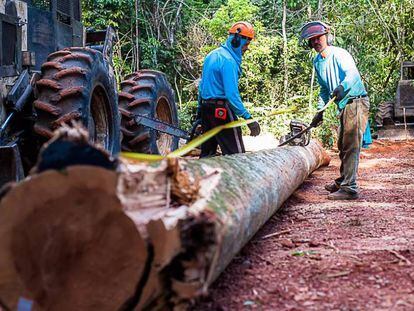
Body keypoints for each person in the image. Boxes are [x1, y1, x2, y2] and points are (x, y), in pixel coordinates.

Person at [301, 21, 370, 200]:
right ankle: (343, 181)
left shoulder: (339, 54)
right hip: (343, 105)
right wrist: (320, 111)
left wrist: (341, 86)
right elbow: (324, 90)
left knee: (351, 145)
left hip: (355, 101)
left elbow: (353, 75)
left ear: (327, 37)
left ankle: (350, 188)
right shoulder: (317, 62)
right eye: (312, 40)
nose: (316, 42)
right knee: (342, 145)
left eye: (319, 38)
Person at [197, 21, 260, 158]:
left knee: (207, 154)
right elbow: (231, 95)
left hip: (206, 108)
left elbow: (202, 87)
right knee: (236, 155)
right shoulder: (228, 61)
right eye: (246, 44)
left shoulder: (211, 55)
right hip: (221, 111)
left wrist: (199, 111)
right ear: (237, 41)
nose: (246, 48)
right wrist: (248, 118)